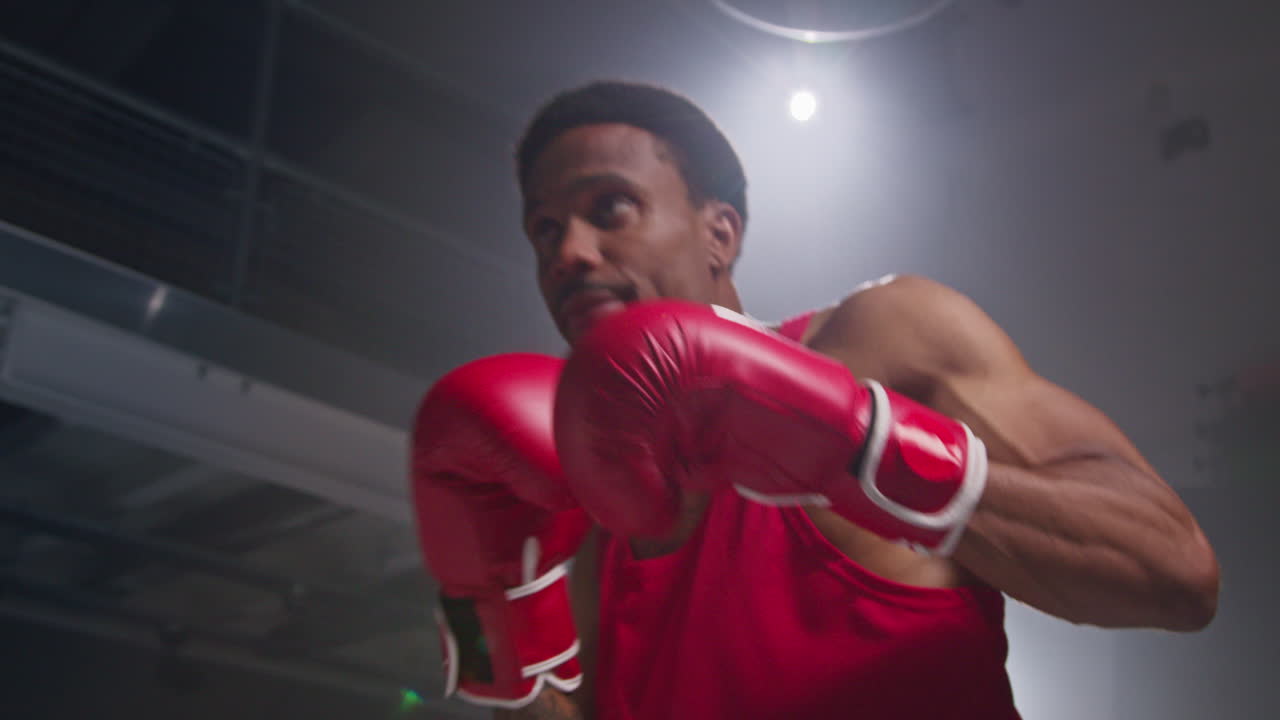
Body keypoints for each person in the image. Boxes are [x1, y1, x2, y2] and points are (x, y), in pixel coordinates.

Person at [411, 81, 1220, 720]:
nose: (570, 254)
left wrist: (861, 446)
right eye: (544, 231)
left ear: (719, 232)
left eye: (609, 209)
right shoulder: (585, 500)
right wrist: (493, 627)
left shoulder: (880, 340)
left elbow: (1175, 572)